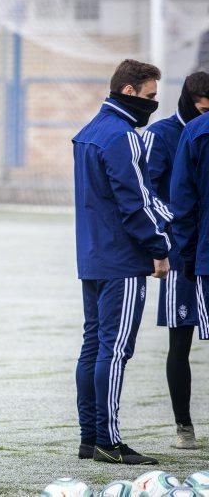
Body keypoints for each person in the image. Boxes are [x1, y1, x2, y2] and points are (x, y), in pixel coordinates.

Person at [73, 59, 171, 466]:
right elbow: (134, 203)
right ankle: (108, 442)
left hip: (93, 256)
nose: (153, 103)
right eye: (150, 96)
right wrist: (159, 247)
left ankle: (89, 437)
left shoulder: (89, 132)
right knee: (114, 352)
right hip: (122, 259)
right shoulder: (122, 136)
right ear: (129, 92)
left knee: (93, 346)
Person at [143, 71, 209, 450]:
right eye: (201, 106)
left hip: (203, 248)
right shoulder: (162, 134)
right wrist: (176, 232)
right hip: (181, 251)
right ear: (189, 100)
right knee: (180, 341)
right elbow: (148, 192)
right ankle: (184, 426)